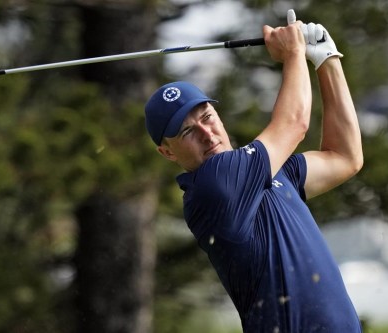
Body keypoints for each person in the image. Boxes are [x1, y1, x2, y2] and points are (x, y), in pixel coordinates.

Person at [144, 10, 363, 333]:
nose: (207, 133)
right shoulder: (213, 185)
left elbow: (345, 157)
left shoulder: (267, 172)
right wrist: (294, 52)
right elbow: (294, 124)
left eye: (207, 117)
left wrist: (328, 60)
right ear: (167, 152)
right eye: (187, 132)